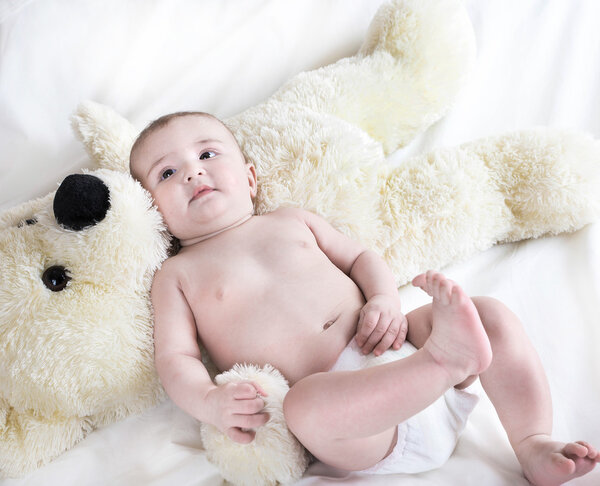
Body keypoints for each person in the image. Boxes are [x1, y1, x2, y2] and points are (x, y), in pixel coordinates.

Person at [129, 111, 599, 485]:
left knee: (489, 314)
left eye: (208, 153)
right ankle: (445, 364)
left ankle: (533, 440)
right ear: (153, 211)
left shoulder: (291, 220)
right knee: (302, 407)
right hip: (363, 427)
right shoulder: (176, 275)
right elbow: (177, 359)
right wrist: (210, 402)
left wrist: (384, 300)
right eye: (168, 172)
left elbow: (360, 258)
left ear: (250, 178)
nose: (193, 172)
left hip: (396, 347)